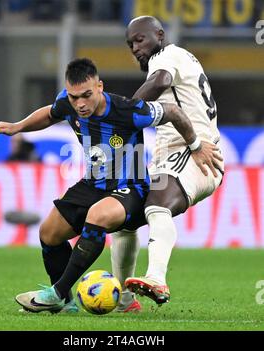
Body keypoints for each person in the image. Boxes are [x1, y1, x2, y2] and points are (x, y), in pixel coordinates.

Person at [0, 58, 220, 314]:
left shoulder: (127, 110)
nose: (80, 104)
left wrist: (196, 147)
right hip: (93, 184)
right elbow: (51, 113)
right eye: (75, 97)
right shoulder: (69, 102)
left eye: (87, 95)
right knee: (48, 233)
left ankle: (57, 293)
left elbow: (173, 112)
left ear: (99, 86)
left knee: (97, 216)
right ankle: (65, 305)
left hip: (131, 187)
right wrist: (18, 126)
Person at [112, 16, 224, 305]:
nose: (135, 48)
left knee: (157, 204)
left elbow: (160, 81)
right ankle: (124, 301)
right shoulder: (181, 58)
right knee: (125, 219)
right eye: (130, 44)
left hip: (197, 153)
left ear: (159, 35)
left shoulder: (166, 56)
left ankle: (157, 280)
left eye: (140, 39)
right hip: (173, 157)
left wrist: (123, 115)